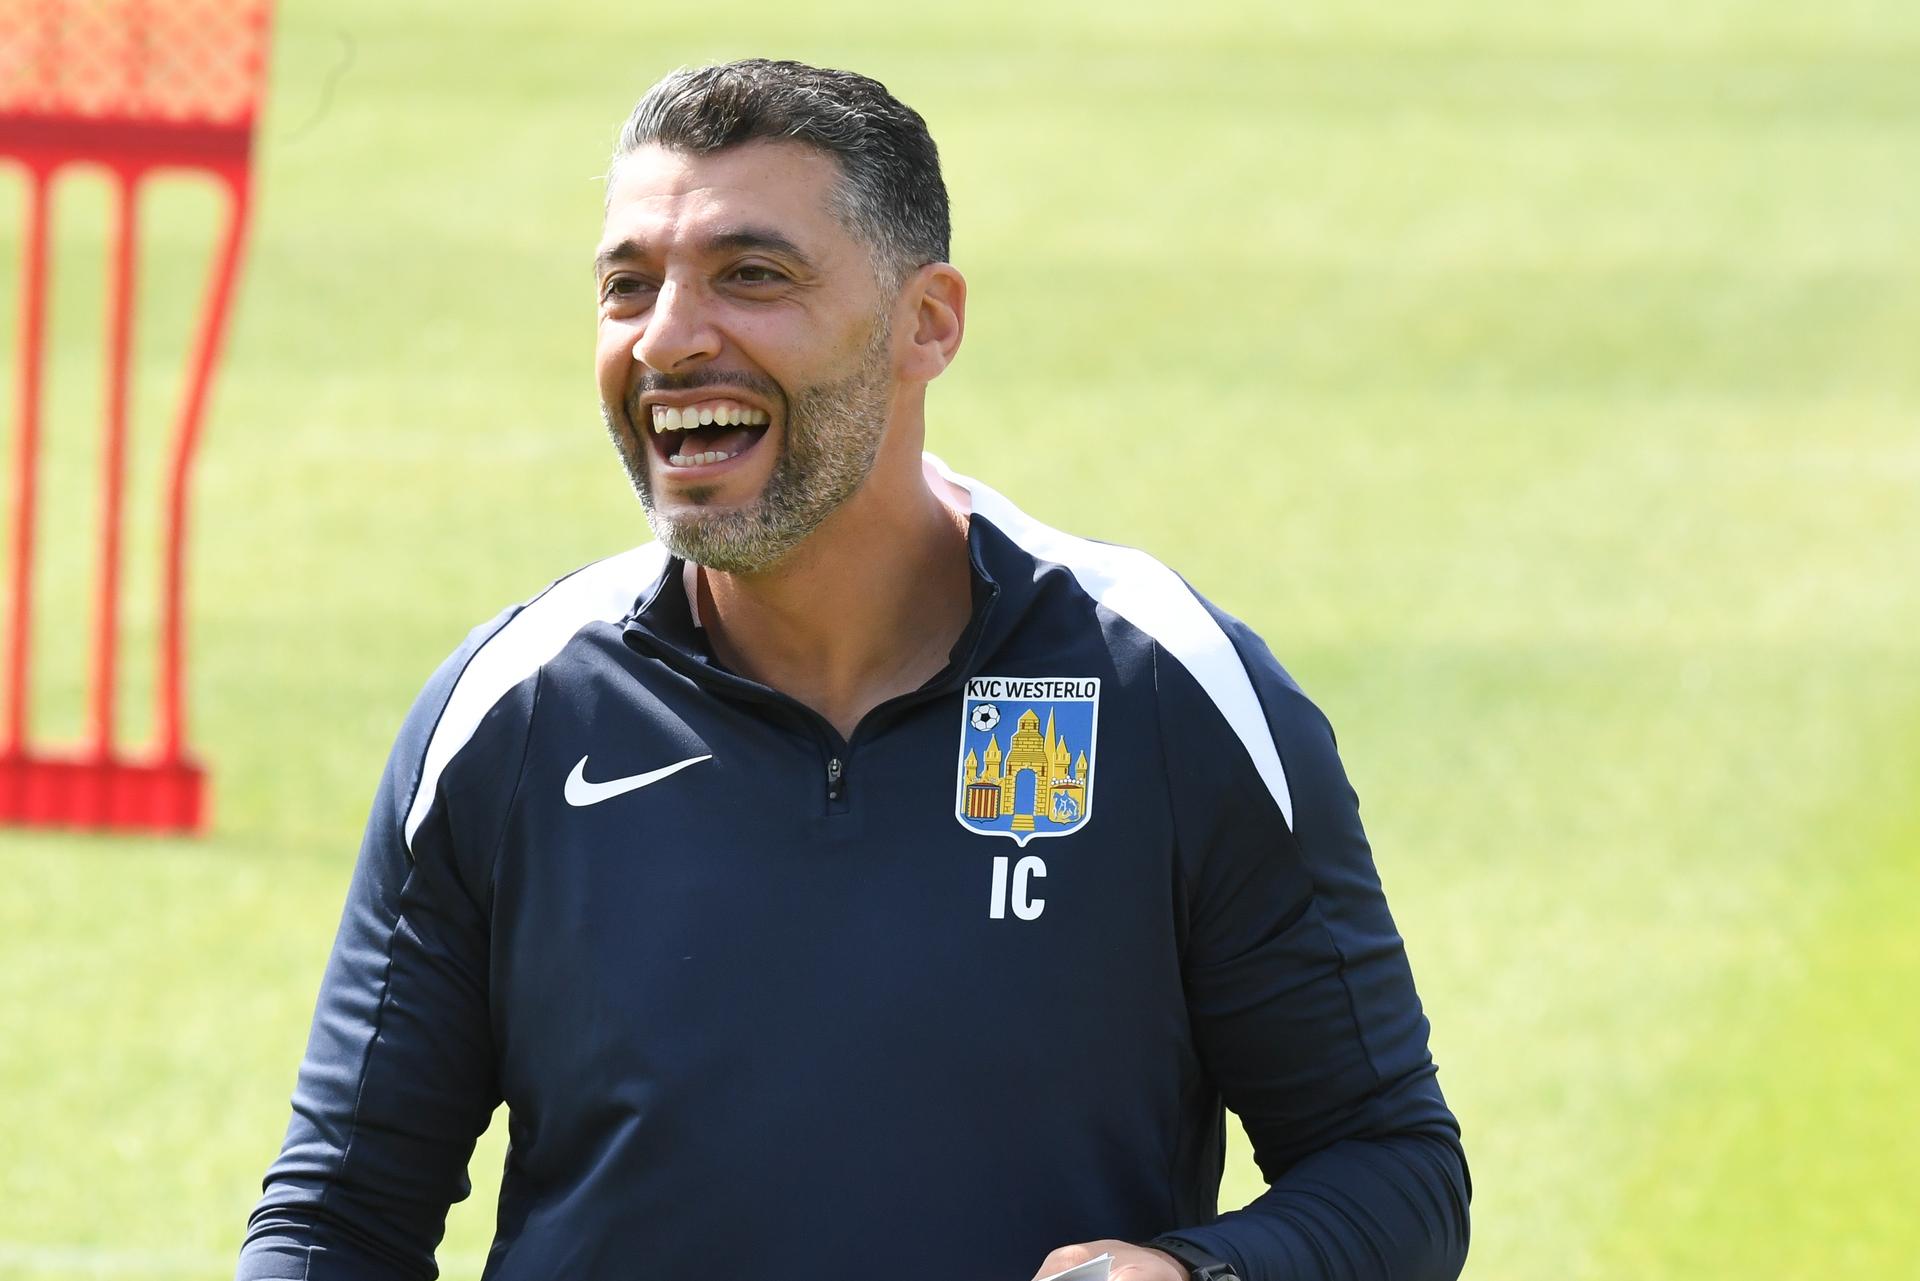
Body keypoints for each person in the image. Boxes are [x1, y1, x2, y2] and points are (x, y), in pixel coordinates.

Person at [238, 59, 1469, 1281]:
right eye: (627, 287)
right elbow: (338, 1220)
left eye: (751, 276)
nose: (667, 338)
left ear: (926, 323)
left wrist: (1197, 1275)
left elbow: (1388, 1162)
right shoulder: (509, 715)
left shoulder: (1165, 689)